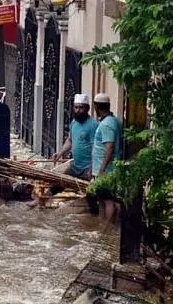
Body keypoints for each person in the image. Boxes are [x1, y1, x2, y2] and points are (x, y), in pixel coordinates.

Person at [51, 93, 99, 180]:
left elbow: (95, 149)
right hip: (75, 166)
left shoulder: (93, 125)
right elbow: (70, 141)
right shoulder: (74, 123)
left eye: (81, 107)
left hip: (87, 168)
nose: (78, 110)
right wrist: (60, 153)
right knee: (59, 183)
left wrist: (92, 169)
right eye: (76, 107)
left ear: (87, 108)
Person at [92, 92, 122, 222]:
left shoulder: (107, 124)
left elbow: (109, 148)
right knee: (102, 199)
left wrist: (101, 171)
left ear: (96, 107)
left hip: (106, 170)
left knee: (108, 200)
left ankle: (107, 227)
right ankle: (102, 224)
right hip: (104, 168)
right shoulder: (114, 121)